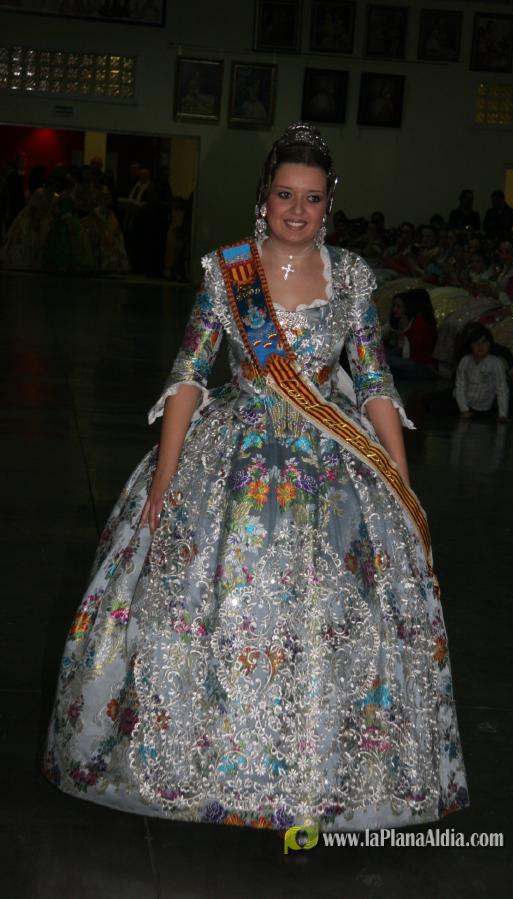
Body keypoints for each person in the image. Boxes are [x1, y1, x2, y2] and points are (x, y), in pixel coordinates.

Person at [43, 122, 469, 835]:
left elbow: (373, 380)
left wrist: (400, 482)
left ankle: (326, 774)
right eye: (284, 195)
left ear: (329, 202)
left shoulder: (352, 276)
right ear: (263, 196)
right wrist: (163, 482)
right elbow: (188, 375)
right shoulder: (227, 271)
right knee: (208, 604)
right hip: (232, 460)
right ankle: (210, 766)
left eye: (311, 197)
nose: (297, 210)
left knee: (337, 621)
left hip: (333, 463)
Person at [454, 324, 510, 422]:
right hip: (464, 403)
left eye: (484, 342)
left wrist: (503, 415)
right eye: (476, 343)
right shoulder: (465, 361)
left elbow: (502, 389)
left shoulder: (496, 363)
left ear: (489, 344)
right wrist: (464, 409)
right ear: (471, 345)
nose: (480, 346)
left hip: (485, 408)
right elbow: (460, 386)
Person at [383, 288, 439, 381]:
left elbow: (415, 353)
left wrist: (404, 331)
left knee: (383, 359)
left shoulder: (420, 321)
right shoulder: (419, 319)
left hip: (424, 367)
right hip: (420, 363)